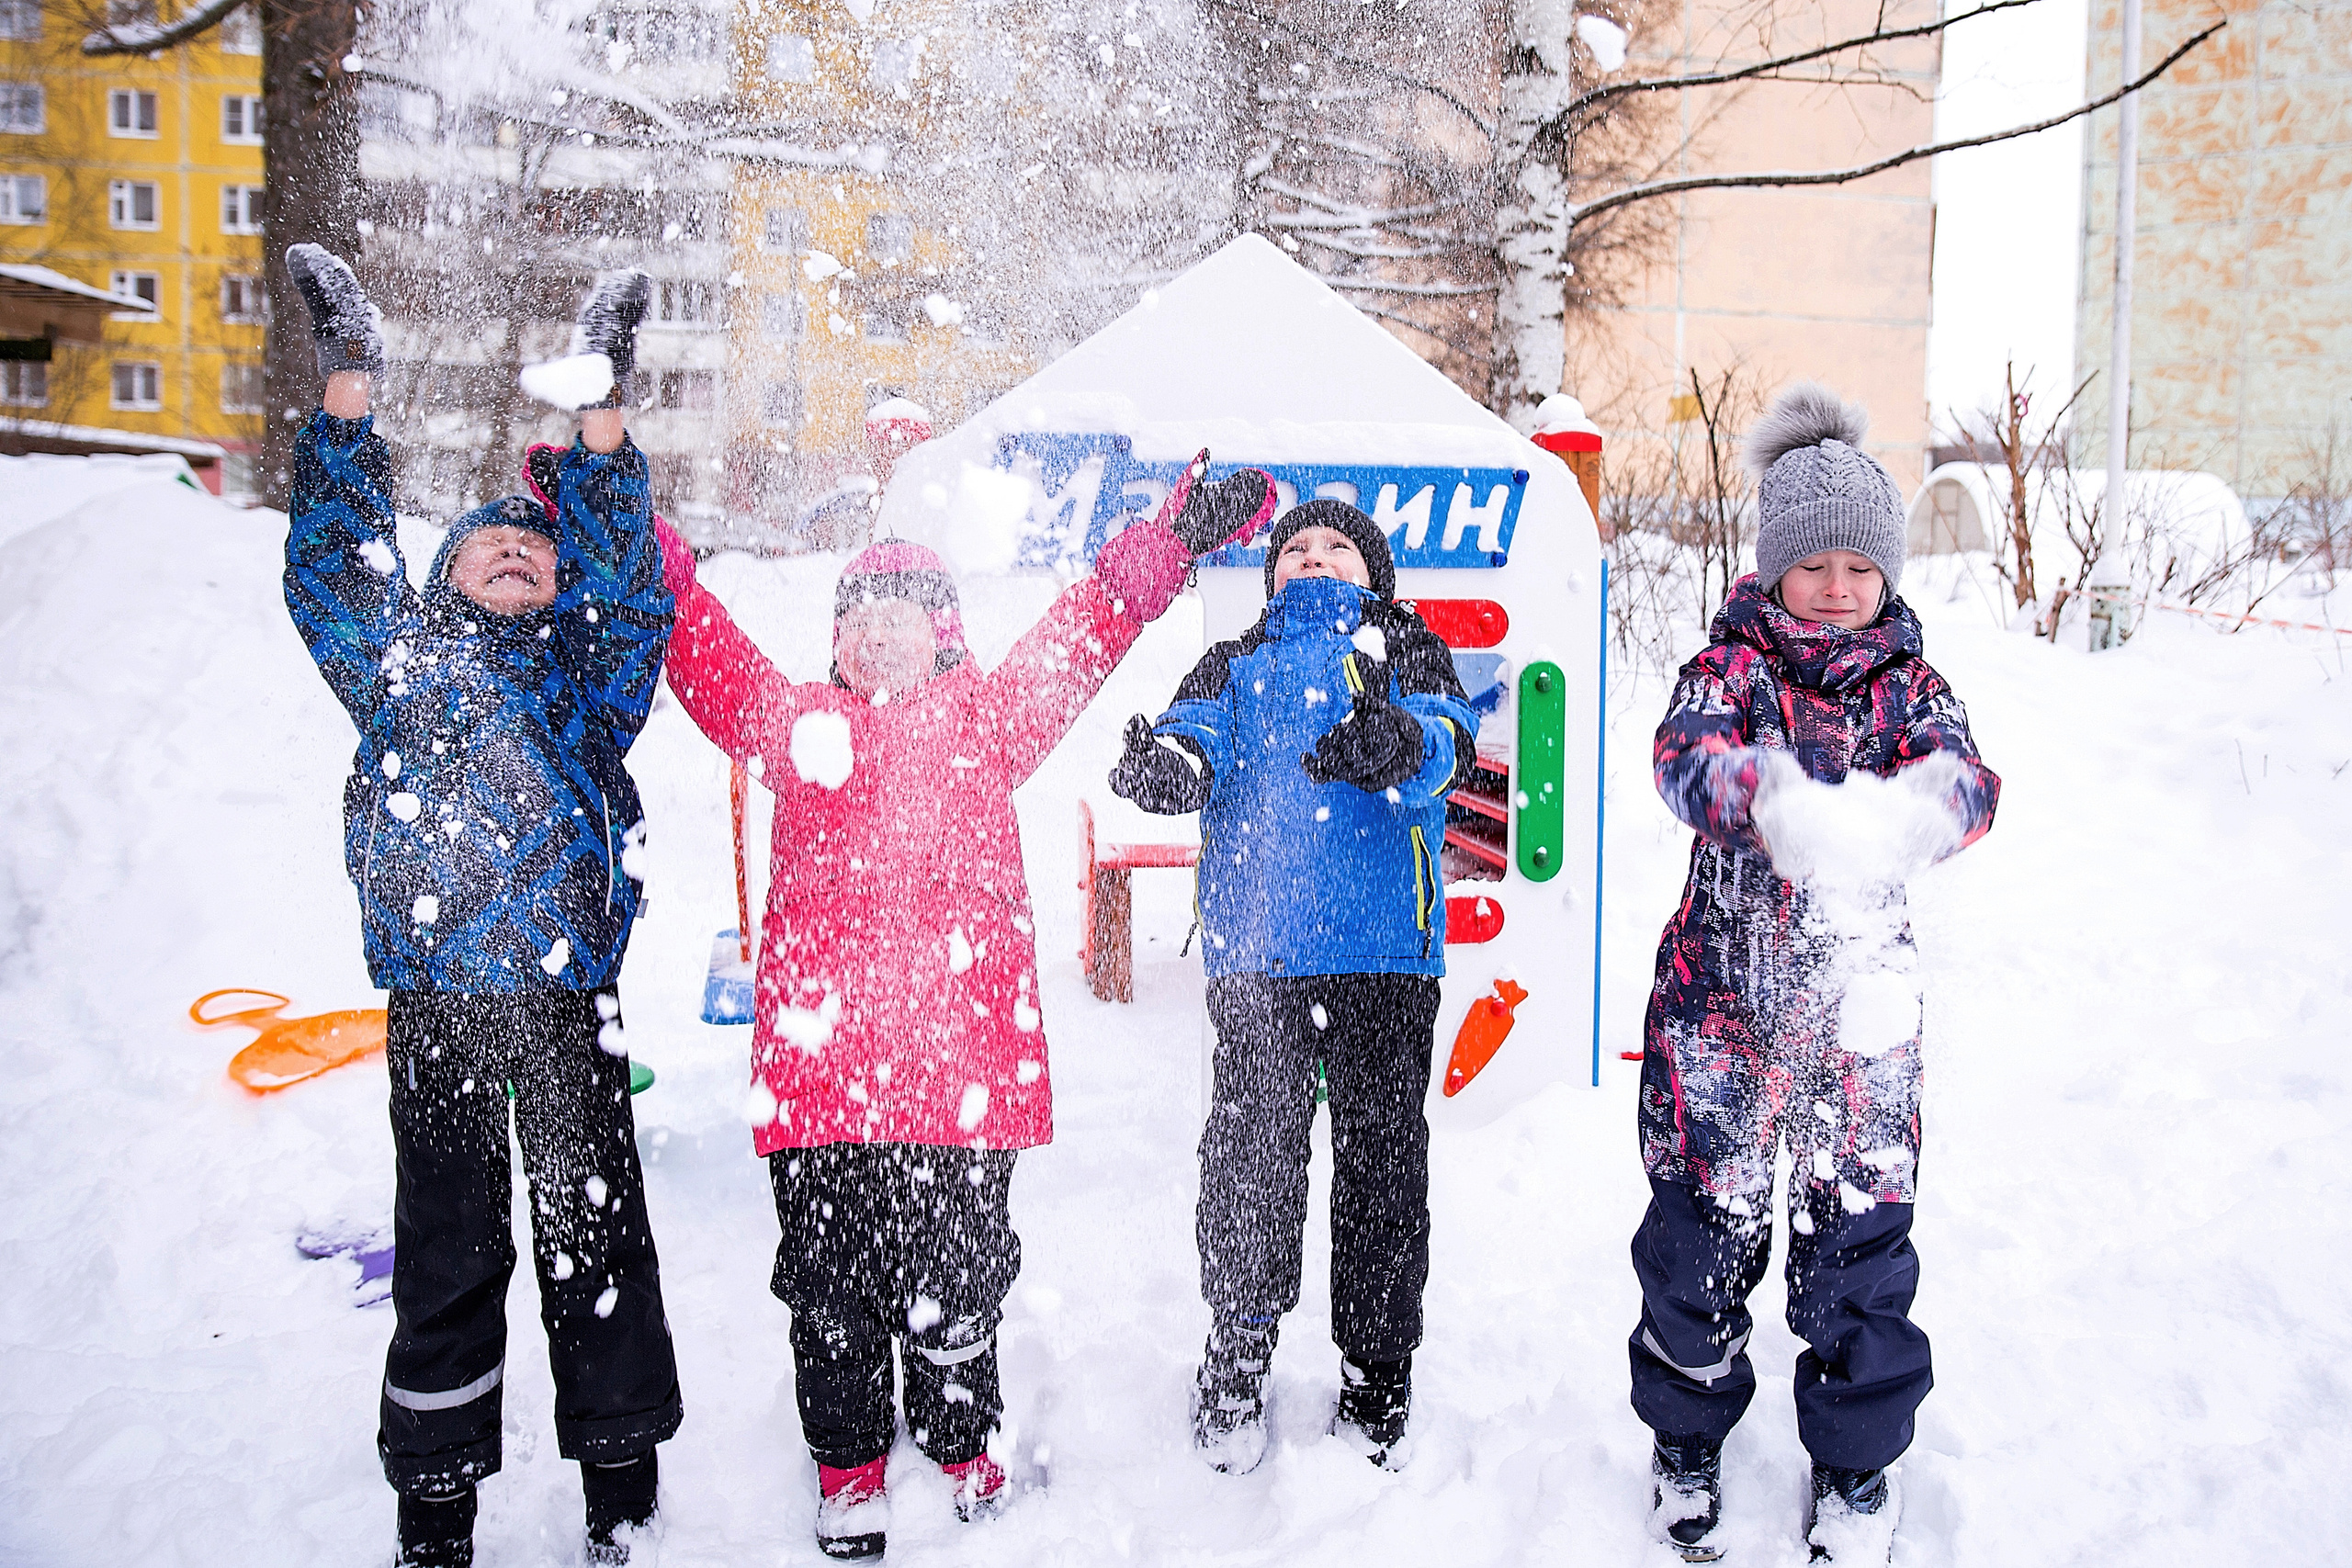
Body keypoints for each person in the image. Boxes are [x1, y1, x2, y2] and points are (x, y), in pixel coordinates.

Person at [651, 453, 1272, 1562]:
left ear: (944, 632)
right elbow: (700, 645)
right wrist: (628, 527)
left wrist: (1169, 540)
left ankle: (957, 1430)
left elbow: (1088, 626)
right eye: (859, 617)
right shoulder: (799, 731)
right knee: (830, 1285)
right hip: (825, 1073)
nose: (878, 631)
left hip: (959, 1075)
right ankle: (845, 1459)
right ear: (835, 642)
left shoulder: (987, 722)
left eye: (905, 611)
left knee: (959, 1274)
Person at [278, 245, 681, 1568]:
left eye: (534, 539)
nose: (517, 541)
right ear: (444, 576)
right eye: (487, 538)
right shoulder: (399, 659)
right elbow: (335, 559)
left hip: (568, 1004)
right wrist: (349, 384)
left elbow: (630, 582)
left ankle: (621, 1492)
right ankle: (434, 1506)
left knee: (594, 1246)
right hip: (443, 1009)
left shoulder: (590, 673)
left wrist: (601, 414)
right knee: (448, 1257)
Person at [1627, 384, 2000, 1565]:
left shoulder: (1910, 689)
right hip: (1720, 1016)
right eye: (1813, 563)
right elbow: (1682, 758)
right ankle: (1687, 1435)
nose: (1838, 586)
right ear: (1772, 568)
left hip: (1860, 1026)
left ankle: (1853, 1463)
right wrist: (1767, 800)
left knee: (1860, 1254)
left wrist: (1933, 807)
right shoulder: (1726, 670)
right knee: (1699, 1242)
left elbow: (1967, 779)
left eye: (1859, 565)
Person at [1109, 498, 1479, 1476]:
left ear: (1372, 574)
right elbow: (1196, 738)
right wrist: (1170, 766)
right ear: (1270, 575)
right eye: (1294, 550)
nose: (1312, 559)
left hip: (1385, 956)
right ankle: (1236, 1350)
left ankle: (1377, 1365)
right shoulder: (1233, 661)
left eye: (1336, 547)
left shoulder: (1404, 645)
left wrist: (1403, 742)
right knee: (1250, 1159)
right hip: (1259, 957)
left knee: (1382, 1170)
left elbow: (1449, 737)